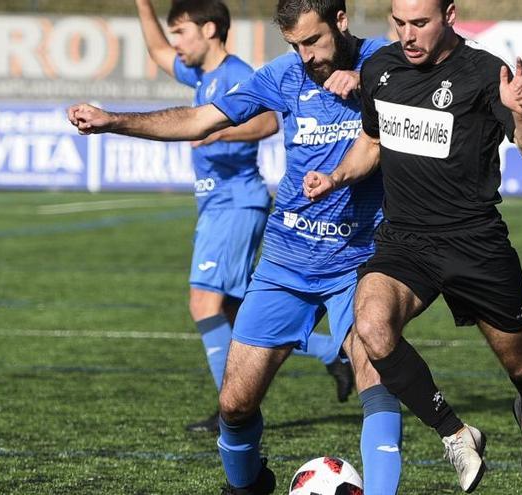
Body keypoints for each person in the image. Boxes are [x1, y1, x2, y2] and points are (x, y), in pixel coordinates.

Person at [69, 1, 402, 493]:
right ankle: (246, 487)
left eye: (312, 41)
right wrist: (112, 120)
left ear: (341, 21)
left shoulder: (387, 60)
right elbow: (199, 119)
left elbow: (433, 79)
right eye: (295, 46)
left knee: (377, 380)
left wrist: (369, 77)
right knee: (235, 403)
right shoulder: (282, 74)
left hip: (362, 260)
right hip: (287, 259)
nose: (306, 56)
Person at [304, 0, 522, 491]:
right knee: (371, 327)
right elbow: (372, 143)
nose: (408, 34)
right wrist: (335, 177)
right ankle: (457, 434)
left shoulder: (485, 74)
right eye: (399, 23)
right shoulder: (379, 69)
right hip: (406, 240)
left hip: (475, 241)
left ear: (450, 15)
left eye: (420, 23)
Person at [133, 0, 354, 434]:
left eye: (181, 32)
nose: (174, 42)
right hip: (218, 203)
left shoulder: (235, 74)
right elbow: (158, 51)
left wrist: (220, 128)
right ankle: (331, 352)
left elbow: (269, 122)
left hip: (236, 202)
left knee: (203, 302)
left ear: (210, 29)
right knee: (238, 314)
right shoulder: (200, 73)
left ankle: (228, 413)